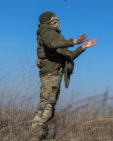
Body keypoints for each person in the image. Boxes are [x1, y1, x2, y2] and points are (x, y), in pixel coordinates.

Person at [29, 11, 97, 141]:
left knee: (49, 109)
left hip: (55, 75)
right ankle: (34, 138)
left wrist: (83, 47)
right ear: (48, 20)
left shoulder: (55, 35)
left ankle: (41, 136)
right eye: (54, 17)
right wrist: (73, 41)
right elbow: (52, 44)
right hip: (50, 74)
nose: (57, 18)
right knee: (45, 109)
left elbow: (68, 56)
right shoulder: (47, 33)